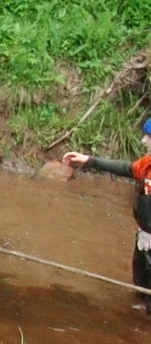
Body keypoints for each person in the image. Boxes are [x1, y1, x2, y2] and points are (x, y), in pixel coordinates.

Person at [62, 118, 151, 312]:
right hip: (145, 239)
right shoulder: (147, 164)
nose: (144, 141)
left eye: (149, 137)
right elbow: (127, 169)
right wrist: (89, 161)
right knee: (141, 291)